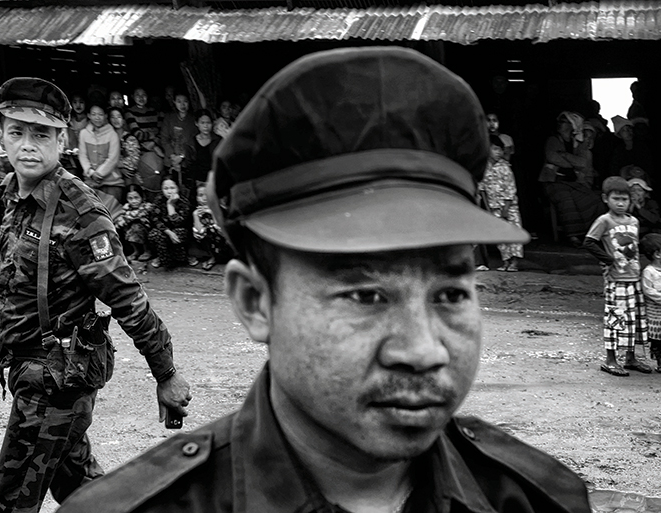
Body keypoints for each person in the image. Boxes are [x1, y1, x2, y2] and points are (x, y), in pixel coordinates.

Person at [59, 47, 591, 513]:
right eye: (365, 295)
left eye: (451, 293)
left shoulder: (539, 498)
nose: (424, 351)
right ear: (256, 301)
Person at [0, 77, 191, 513]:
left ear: (62, 139)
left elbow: (128, 298)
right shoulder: (13, 194)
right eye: (16, 131)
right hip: (28, 365)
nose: (27, 145)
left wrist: (166, 373)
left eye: (41, 134)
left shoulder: (81, 214)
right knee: (82, 489)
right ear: (1, 136)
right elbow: (18, 277)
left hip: (57, 379)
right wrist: (0, 327)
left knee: (7, 503)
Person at [584, 176, 652, 377]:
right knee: (616, 318)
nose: (621, 203)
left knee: (635, 320)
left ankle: (631, 358)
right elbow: (589, 242)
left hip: (633, 277)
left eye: (625, 199)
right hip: (616, 279)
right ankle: (610, 359)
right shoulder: (604, 220)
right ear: (606, 198)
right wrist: (608, 260)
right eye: (616, 199)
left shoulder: (634, 221)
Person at [539, 111, 604, 247]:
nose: (560, 124)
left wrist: (564, 156)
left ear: (572, 125)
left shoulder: (578, 143)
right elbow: (552, 157)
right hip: (553, 182)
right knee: (566, 199)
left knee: (592, 199)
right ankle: (573, 236)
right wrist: (571, 164)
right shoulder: (553, 140)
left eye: (563, 122)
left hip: (573, 183)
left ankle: (591, 234)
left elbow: (582, 162)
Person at [479, 134, 524, 271]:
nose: (499, 153)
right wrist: (487, 208)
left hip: (509, 208)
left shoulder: (505, 167)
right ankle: (506, 261)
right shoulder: (484, 168)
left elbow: (510, 189)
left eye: (500, 150)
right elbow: (482, 189)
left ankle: (514, 262)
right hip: (494, 207)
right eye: (495, 149)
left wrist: (506, 208)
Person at [639, 233, 661, 374]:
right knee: (657, 341)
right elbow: (648, 290)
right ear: (657, 254)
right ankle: (660, 362)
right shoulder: (649, 272)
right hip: (656, 315)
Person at [78, 103, 122, 202]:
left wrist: (98, 174)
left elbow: (113, 159)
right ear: (88, 115)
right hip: (90, 179)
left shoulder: (112, 134)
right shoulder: (83, 134)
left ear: (106, 116)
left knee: (111, 210)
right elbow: (82, 155)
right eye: (93, 114)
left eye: (100, 114)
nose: (97, 117)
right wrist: (90, 172)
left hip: (111, 181)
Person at [125, 87, 164, 197]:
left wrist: (153, 142)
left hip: (154, 151)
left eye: (144, 95)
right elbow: (138, 134)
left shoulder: (153, 111)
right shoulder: (129, 112)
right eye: (138, 95)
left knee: (156, 180)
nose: (141, 98)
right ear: (132, 96)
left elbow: (160, 131)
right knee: (142, 186)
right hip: (140, 154)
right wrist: (152, 135)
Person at [148, 176, 191, 271]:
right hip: (164, 230)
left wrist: (170, 205)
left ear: (178, 188)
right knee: (155, 234)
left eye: (172, 188)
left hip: (180, 230)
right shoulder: (158, 200)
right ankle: (163, 259)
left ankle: (182, 257)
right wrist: (168, 232)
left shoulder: (183, 202)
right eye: (166, 188)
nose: (169, 191)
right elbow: (155, 220)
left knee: (179, 233)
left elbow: (178, 223)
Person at [160, 92, 197, 193]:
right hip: (170, 161)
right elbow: (164, 139)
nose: (182, 105)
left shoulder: (193, 119)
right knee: (171, 189)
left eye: (185, 101)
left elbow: (194, 141)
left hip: (187, 161)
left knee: (187, 190)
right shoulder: (169, 118)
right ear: (174, 102)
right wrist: (172, 156)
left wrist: (181, 156)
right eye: (179, 102)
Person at [191, 182, 229, 271]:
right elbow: (199, 235)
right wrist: (195, 215)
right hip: (211, 247)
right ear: (196, 198)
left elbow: (224, 232)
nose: (204, 198)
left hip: (227, 246)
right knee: (206, 231)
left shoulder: (221, 209)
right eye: (201, 195)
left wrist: (213, 214)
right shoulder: (197, 212)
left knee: (212, 229)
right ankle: (214, 257)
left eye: (207, 195)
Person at [115, 183, 154, 262]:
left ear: (142, 197)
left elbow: (136, 215)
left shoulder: (147, 206)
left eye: (136, 198)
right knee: (125, 228)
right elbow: (120, 220)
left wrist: (124, 217)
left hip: (146, 231)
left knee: (136, 227)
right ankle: (136, 251)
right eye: (130, 198)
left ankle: (147, 251)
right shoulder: (127, 208)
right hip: (131, 231)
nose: (134, 201)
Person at [108, 106, 141, 193]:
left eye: (119, 117)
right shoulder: (106, 138)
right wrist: (118, 167)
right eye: (113, 117)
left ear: (123, 120)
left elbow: (133, 161)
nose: (116, 120)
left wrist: (121, 166)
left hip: (127, 174)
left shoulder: (130, 138)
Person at [186, 109, 222, 185]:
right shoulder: (191, 142)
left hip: (214, 180)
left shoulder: (218, 141)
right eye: (202, 123)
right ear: (196, 123)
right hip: (197, 181)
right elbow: (189, 164)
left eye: (208, 123)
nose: (206, 126)